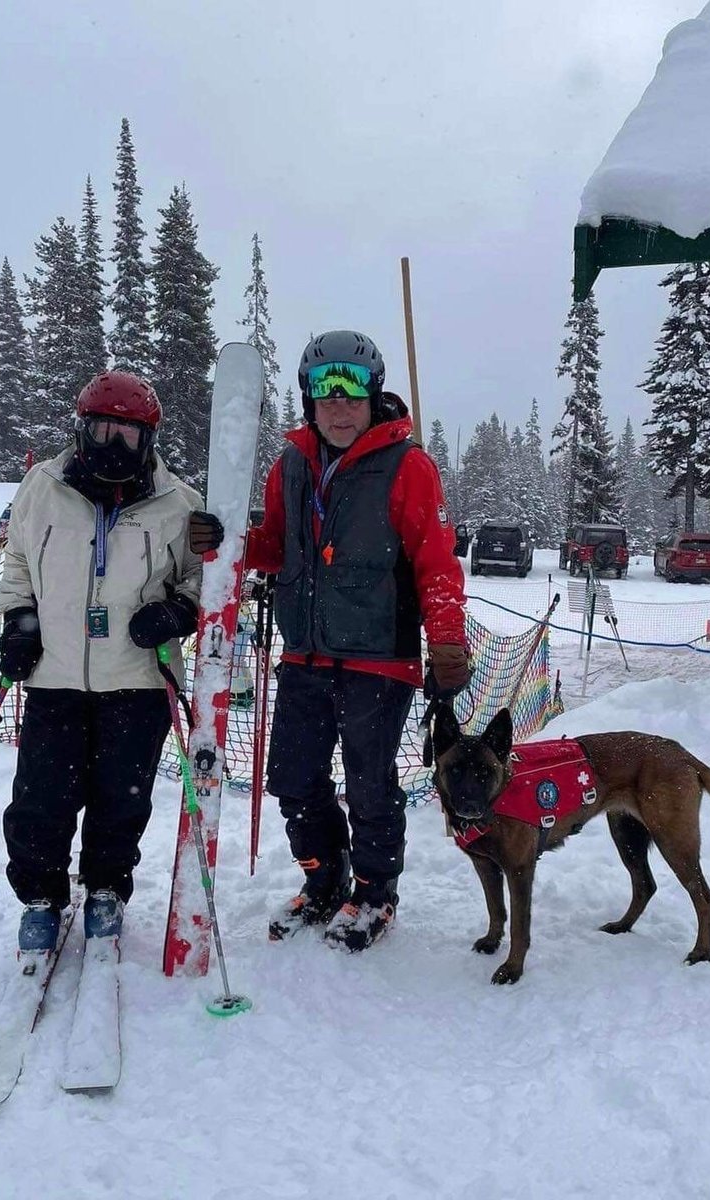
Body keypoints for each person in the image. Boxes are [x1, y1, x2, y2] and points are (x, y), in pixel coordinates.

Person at [245, 330, 471, 952]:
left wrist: (446, 641)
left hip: (379, 658)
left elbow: (437, 563)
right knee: (293, 779)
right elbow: (277, 547)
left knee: (370, 783)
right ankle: (324, 879)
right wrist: (235, 544)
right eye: (325, 392)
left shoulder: (409, 466)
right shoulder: (290, 465)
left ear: (373, 396)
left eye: (351, 392)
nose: (339, 406)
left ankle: (374, 891)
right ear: (308, 400)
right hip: (304, 653)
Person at [0, 370, 220, 954]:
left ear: (148, 440)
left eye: (127, 434)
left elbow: (205, 577)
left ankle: (105, 890)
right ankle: (41, 896)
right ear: (81, 426)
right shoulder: (41, 486)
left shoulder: (179, 503)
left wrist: (179, 611)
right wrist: (20, 620)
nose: (112, 445)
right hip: (55, 676)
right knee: (41, 798)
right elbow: (17, 560)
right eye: (102, 430)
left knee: (122, 797)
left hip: (138, 681)